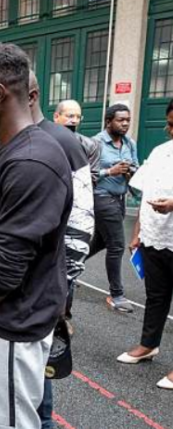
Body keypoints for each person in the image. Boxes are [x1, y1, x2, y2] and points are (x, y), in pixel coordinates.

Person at [0, 43, 72, 429]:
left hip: (17, 319)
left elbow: (7, 267)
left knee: (13, 423)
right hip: (2, 312)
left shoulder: (32, 161)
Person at [0, 73, 91, 429]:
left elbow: (81, 224)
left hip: (22, 309)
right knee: (15, 402)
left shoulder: (38, 157)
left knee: (24, 409)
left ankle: (40, 419)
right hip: (6, 305)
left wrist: (58, 290)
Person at [117, 100, 173, 390]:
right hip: (156, 237)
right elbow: (146, 193)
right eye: (170, 123)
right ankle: (148, 345)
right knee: (156, 296)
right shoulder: (161, 152)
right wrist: (138, 232)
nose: (169, 129)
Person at [87, 104, 139, 313]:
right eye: (120, 120)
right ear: (108, 121)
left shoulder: (130, 143)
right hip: (101, 197)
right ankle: (116, 295)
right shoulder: (95, 143)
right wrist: (110, 171)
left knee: (100, 242)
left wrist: (129, 172)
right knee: (117, 245)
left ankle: (62, 267)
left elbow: (135, 167)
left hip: (120, 198)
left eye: (127, 119)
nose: (125, 123)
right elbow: (85, 173)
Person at [52, 99, 100, 322]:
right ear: (56, 117)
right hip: (50, 213)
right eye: (69, 115)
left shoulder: (89, 145)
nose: (73, 120)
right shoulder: (46, 140)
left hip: (74, 216)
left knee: (68, 271)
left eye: (77, 116)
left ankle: (63, 317)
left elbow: (92, 179)